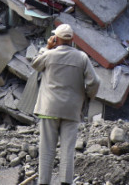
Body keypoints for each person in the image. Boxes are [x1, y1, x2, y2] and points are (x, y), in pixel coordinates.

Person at [32, 23, 99, 185]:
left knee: (47, 148)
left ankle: (44, 182)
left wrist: (47, 48)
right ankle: (66, 182)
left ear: (57, 39)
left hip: (49, 108)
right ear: (72, 39)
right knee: (68, 149)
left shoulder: (49, 55)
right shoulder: (82, 57)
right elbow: (94, 82)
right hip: (72, 110)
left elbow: (35, 64)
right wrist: (88, 96)